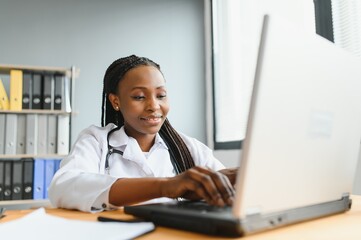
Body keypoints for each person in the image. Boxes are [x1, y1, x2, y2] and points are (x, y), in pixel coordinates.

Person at [49, 55, 238, 212]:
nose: (154, 106)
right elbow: (64, 187)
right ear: (116, 101)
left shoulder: (187, 147)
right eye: (139, 97)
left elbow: (227, 189)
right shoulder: (96, 141)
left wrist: (237, 176)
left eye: (161, 95)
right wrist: (167, 186)